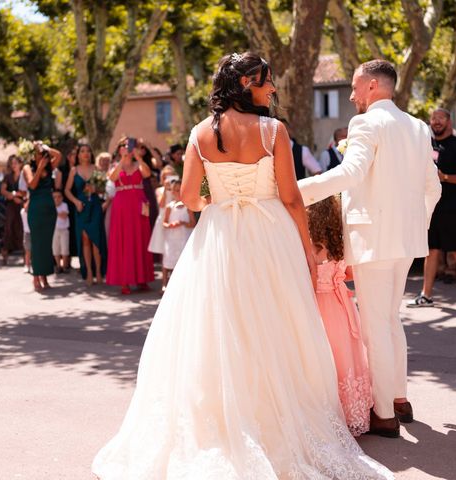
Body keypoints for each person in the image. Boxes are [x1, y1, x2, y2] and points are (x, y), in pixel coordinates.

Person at [92, 52, 392, 479]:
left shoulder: (199, 133)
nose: (273, 90)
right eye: (268, 82)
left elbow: (192, 197)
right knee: (275, 325)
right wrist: (307, 251)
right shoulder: (274, 131)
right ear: (249, 83)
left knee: (220, 327)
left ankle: (227, 420)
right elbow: (290, 197)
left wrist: (221, 200)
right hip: (270, 235)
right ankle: (271, 418)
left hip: (220, 237)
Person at [298, 59, 442, 437]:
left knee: (376, 325)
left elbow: (350, 174)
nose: (351, 94)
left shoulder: (366, 122)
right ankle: (398, 397)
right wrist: (416, 225)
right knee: (390, 319)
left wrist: (297, 191)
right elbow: (434, 189)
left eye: (355, 86)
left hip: (373, 238)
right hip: (406, 241)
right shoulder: (418, 127)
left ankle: (383, 414)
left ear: (373, 87)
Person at [307, 194, 372, 437]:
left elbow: (307, 279)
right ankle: (352, 411)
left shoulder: (311, 247)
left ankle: (329, 412)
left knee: (326, 355)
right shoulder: (340, 244)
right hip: (343, 306)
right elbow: (351, 275)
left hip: (320, 306)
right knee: (346, 353)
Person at [407, 108, 456, 312]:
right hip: (430, 207)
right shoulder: (426, 145)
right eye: (433, 118)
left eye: (441, 118)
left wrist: (444, 177)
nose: (436, 121)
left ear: (449, 121)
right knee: (431, 251)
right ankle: (425, 295)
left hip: (453, 208)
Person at [105, 137, 154, 295]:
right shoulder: (115, 165)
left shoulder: (138, 164)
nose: (127, 148)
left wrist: (138, 157)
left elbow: (147, 174)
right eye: (124, 146)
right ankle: (124, 281)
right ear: (119, 149)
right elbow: (112, 178)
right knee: (123, 240)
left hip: (138, 204)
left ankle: (142, 279)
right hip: (122, 206)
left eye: (130, 146)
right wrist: (122, 160)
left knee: (140, 238)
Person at [65, 144, 107, 285]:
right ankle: (89, 271)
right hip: (81, 208)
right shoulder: (73, 170)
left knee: (96, 239)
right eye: (82, 151)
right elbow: (67, 190)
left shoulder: (97, 169)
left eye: (88, 151)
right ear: (78, 154)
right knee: (85, 240)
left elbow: (103, 191)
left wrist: (96, 189)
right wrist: (76, 201)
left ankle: (99, 272)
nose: (86, 153)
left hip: (94, 206)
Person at [23, 142, 61, 291]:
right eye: (39, 153)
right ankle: (35, 277)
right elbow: (32, 185)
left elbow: (59, 155)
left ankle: (44, 276)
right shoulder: (28, 168)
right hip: (36, 210)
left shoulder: (50, 166)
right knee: (37, 244)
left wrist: (45, 147)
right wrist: (39, 167)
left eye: (43, 154)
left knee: (46, 245)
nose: (43, 156)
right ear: (33, 155)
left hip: (49, 210)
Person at [148, 165, 177, 291]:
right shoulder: (159, 190)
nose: (168, 179)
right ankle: (164, 283)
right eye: (165, 176)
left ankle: (174, 281)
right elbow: (160, 203)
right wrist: (166, 190)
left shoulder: (178, 189)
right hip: (163, 222)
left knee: (176, 250)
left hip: (175, 220)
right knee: (165, 253)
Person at [162, 179, 195, 281]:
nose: (177, 192)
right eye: (175, 190)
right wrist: (170, 225)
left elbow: (193, 223)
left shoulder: (188, 206)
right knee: (169, 258)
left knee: (184, 259)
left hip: (184, 238)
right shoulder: (169, 207)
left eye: (180, 190)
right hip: (172, 238)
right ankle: (164, 283)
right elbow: (164, 222)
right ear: (172, 192)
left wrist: (183, 223)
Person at [0, 154, 25, 265]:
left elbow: (27, 190)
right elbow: (3, 190)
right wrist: (13, 196)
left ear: (20, 164)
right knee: (8, 229)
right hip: (11, 206)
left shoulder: (25, 176)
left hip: (23, 205)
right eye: (12, 163)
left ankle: (26, 258)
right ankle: (5, 256)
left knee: (23, 229)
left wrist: (21, 198)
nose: (14, 165)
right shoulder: (8, 177)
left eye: (16, 163)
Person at [52, 190, 70, 273]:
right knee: (56, 249)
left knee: (64, 248)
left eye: (59, 197)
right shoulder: (51, 206)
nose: (57, 199)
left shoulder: (64, 205)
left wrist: (55, 213)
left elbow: (64, 215)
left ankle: (65, 266)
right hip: (54, 230)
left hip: (64, 230)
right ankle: (58, 266)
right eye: (54, 197)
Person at [20, 199, 31, 274]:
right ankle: (27, 265)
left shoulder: (33, 211)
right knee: (27, 251)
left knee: (34, 251)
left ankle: (34, 266)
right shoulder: (23, 212)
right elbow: (26, 208)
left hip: (34, 233)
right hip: (27, 233)